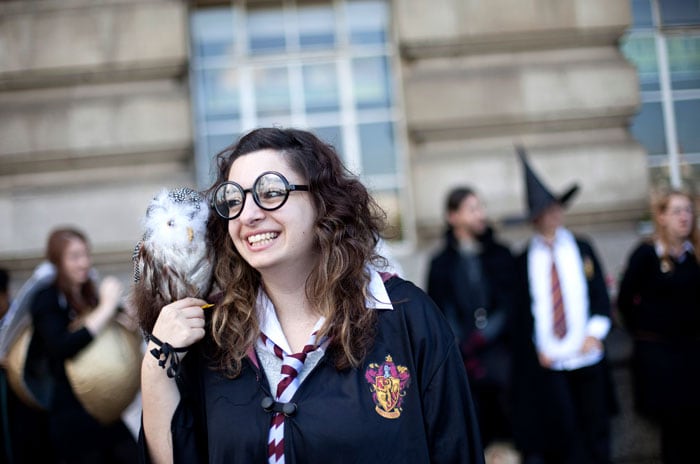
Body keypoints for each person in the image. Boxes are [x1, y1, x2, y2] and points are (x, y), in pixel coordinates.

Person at [138, 127, 484, 463]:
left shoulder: (407, 317)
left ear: (322, 200)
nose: (249, 214)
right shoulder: (215, 333)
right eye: (234, 199)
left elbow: (457, 448)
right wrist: (157, 364)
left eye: (270, 192)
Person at [510, 148, 616, 464]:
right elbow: (523, 313)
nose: (553, 216)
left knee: (596, 429)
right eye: (545, 211)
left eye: (556, 208)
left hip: (586, 353)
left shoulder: (581, 248)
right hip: (550, 360)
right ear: (535, 219)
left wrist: (595, 332)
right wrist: (536, 348)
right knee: (563, 435)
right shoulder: (525, 259)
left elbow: (599, 295)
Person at [28, 228, 138, 463]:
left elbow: (124, 327)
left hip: (104, 409)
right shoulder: (46, 298)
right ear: (58, 261)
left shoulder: (90, 294)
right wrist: (105, 308)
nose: (85, 263)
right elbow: (61, 346)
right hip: (71, 415)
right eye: (75, 257)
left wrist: (128, 313)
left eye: (86, 254)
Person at [427, 187, 515, 448]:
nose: (481, 215)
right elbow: (438, 307)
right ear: (453, 216)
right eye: (472, 209)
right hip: (462, 360)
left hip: (500, 356)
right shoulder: (441, 262)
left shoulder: (500, 254)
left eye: (481, 208)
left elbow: (509, 303)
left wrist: (484, 335)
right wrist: (460, 343)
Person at [617, 190, 700, 464]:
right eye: (677, 211)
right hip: (660, 357)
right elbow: (625, 300)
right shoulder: (647, 254)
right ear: (662, 216)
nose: (684, 217)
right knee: (673, 429)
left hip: (692, 354)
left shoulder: (694, 256)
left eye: (688, 210)